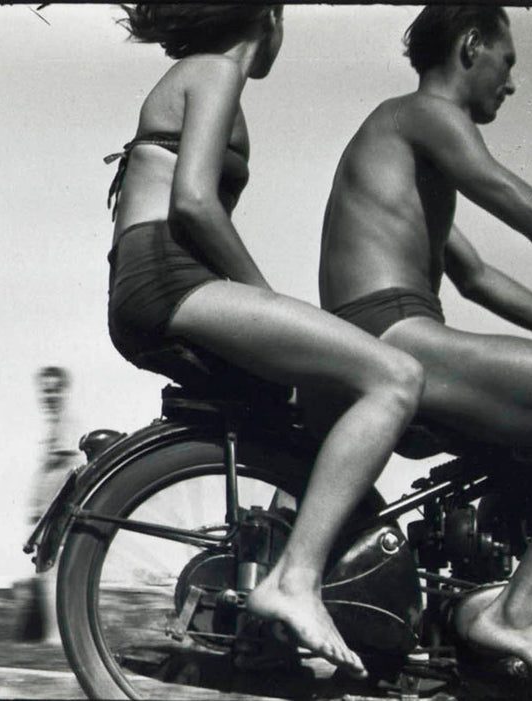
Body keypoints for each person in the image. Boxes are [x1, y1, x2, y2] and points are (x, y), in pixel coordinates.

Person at [105, 4, 425, 677]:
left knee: (314, 398)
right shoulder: (217, 72)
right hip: (169, 277)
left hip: (154, 277)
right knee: (394, 376)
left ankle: (285, 578)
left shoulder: (200, 76)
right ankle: (295, 580)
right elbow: (194, 199)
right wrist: (263, 294)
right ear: (271, 17)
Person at [317, 6, 532, 697]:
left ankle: (492, 592)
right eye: (509, 61)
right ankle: (523, 613)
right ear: (472, 47)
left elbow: (480, 279)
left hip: (389, 329)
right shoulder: (427, 115)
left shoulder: (409, 139)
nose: (513, 83)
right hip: (395, 334)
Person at [20, 366, 78, 645]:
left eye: (54, 389)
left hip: (55, 511)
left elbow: (63, 468)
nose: (49, 395)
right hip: (48, 510)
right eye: (45, 390)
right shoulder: (57, 423)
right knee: (48, 570)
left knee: (50, 570)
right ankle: (54, 633)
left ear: (63, 391)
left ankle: (55, 635)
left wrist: (47, 508)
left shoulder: (66, 422)